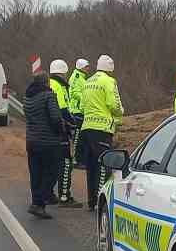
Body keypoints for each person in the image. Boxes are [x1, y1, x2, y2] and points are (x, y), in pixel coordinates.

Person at [78, 54, 123, 211]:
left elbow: (82, 106)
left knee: (91, 167)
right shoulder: (109, 81)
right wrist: (120, 113)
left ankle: (91, 201)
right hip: (102, 130)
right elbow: (114, 104)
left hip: (86, 128)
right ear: (110, 68)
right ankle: (100, 201)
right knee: (104, 165)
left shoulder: (88, 82)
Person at [23, 66, 68, 219]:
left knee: (36, 173)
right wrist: (62, 130)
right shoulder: (49, 96)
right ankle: (40, 202)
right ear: (46, 82)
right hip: (48, 141)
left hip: (32, 141)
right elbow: (55, 118)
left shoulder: (28, 97)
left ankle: (37, 201)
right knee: (52, 172)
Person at [47, 59, 80, 207]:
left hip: (47, 131)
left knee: (51, 164)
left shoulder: (47, 83)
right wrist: (72, 124)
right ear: (62, 73)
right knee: (66, 163)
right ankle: (65, 196)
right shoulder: (58, 86)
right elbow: (62, 109)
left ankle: (47, 193)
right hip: (59, 130)